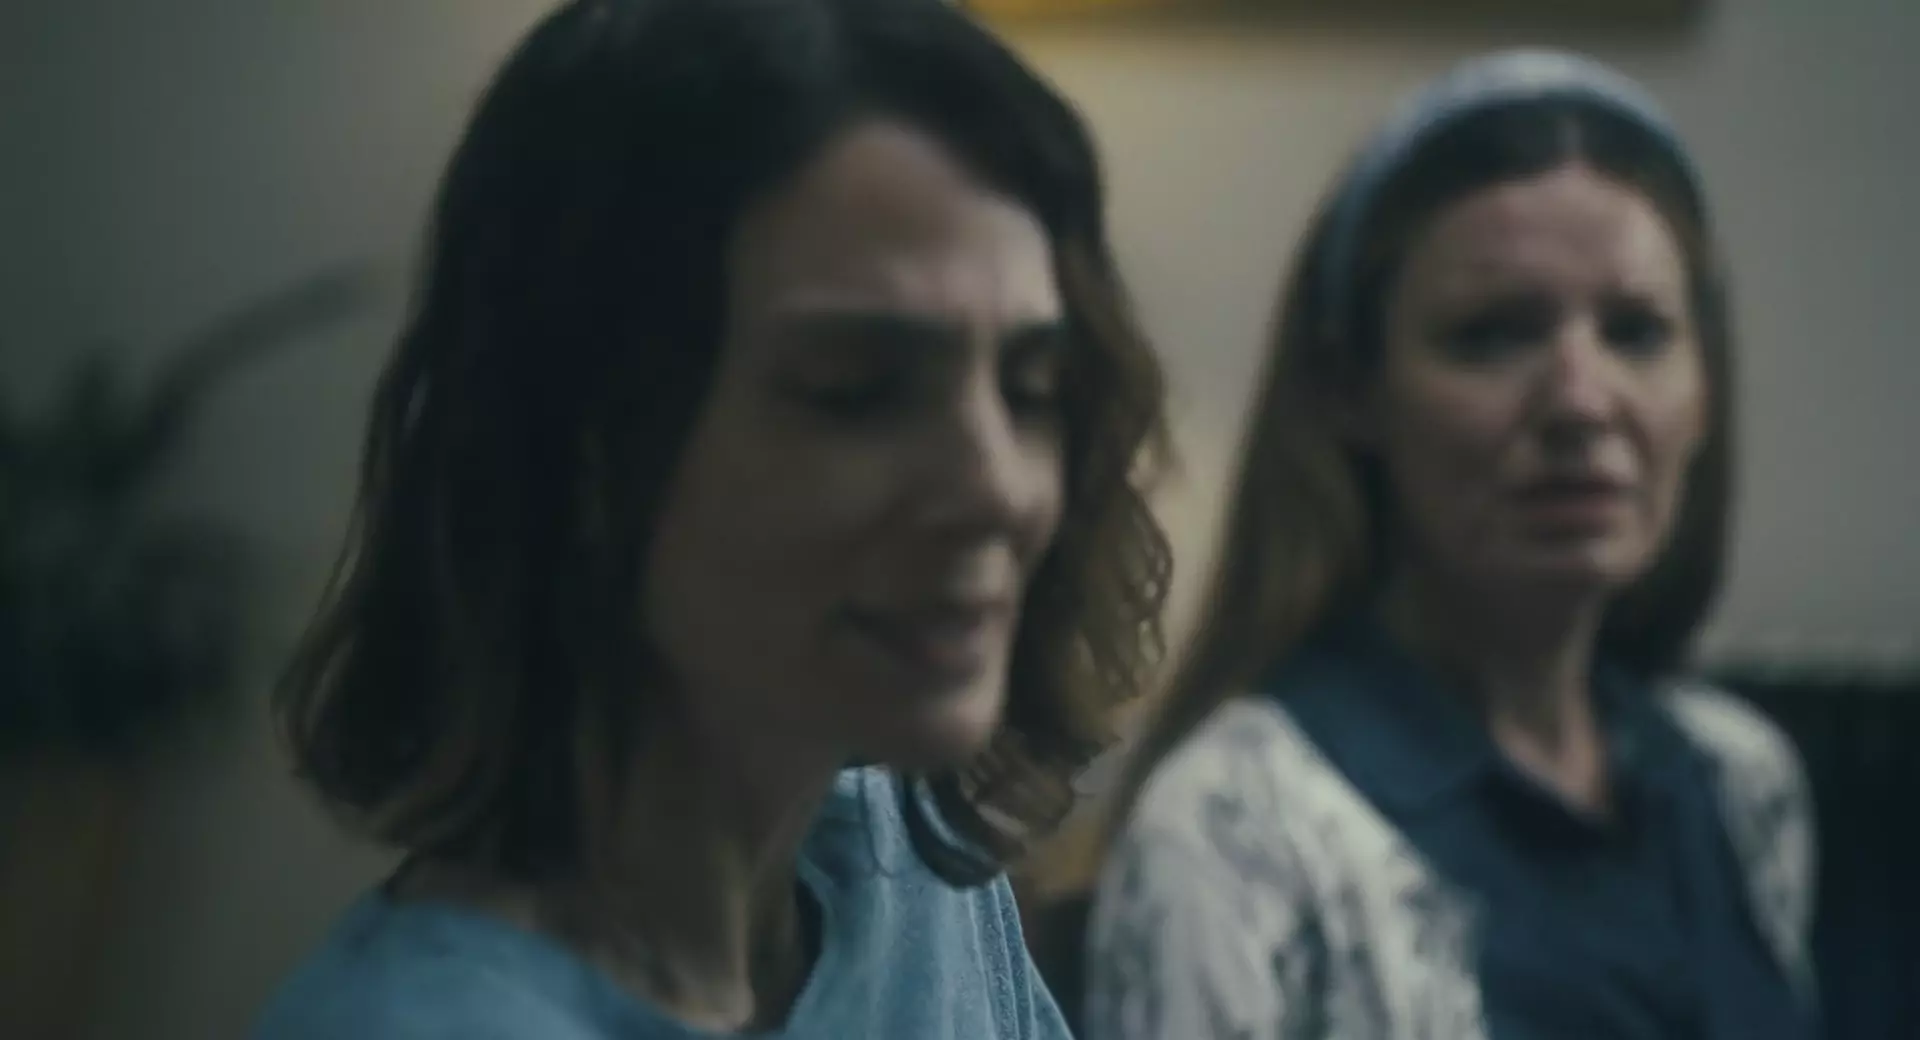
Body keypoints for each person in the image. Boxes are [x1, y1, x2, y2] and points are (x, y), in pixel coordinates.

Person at [250, 0, 1171, 1036]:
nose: (999, 487)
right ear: (584, 441)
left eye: (1032, 388)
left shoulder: (915, 875)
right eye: (856, 390)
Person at [1079, 50, 1818, 1040]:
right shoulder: (1237, 825)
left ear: (1704, 385)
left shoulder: (1740, 782)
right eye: (1494, 333)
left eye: (1636, 331)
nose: (1581, 400)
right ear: (1352, 389)